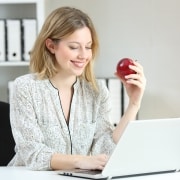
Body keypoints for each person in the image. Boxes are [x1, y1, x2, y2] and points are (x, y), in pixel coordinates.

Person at [8, 6, 146, 171]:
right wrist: (80, 161)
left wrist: (134, 104)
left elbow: (107, 147)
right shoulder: (25, 88)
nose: (83, 55)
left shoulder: (97, 91)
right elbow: (33, 153)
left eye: (88, 47)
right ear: (51, 46)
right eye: (74, 47)